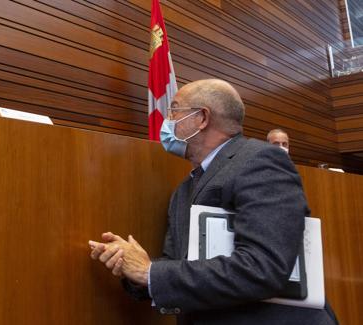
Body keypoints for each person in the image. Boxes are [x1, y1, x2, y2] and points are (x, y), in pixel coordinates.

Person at [89, 79, 337, 324]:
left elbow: (264, 267)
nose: (167, 121)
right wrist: (134, 269)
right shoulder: (184, 189)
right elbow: (179, 264)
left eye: (174, 110)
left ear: (202, 118)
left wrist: (150, 272)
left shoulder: (262, 160)